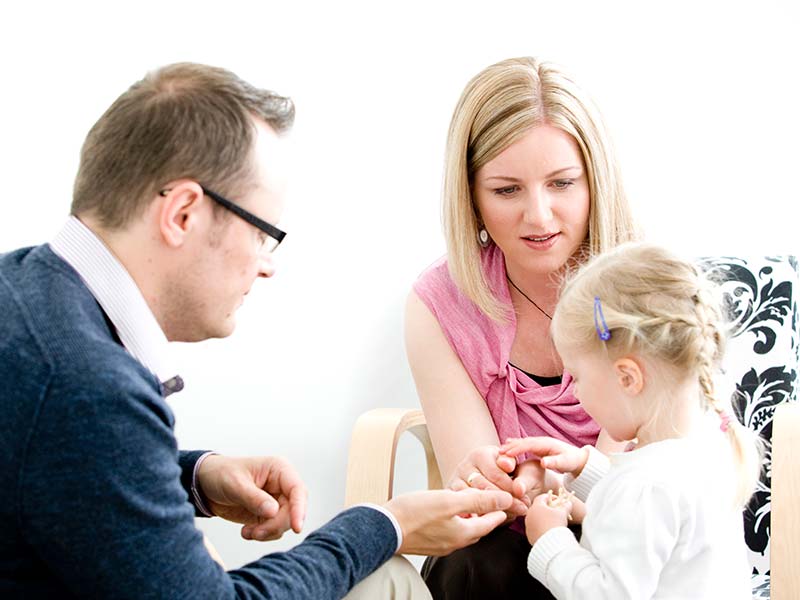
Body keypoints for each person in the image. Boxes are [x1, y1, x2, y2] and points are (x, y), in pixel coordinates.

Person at [0, 62, 515, 599]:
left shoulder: (25, 301)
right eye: (263, 233)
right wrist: (385, 525)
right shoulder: (88, 385)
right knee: (386, 577)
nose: (267, 265)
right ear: (181, 214)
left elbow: (65, 467)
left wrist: (193, 476)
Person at [405, 56, 639, 597]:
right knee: (473, 558)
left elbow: (636, 482)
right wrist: (511, 483)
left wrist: (557, 485)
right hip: (505, 549)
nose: (539, 216)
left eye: (561, 183)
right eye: (507, 190)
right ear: (471, 196)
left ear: (594, 181)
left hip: (631, 527)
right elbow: (481, 488)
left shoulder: (641, 282)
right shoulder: (440, 302)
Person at [500, 242, 760, 598]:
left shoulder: (644, 486)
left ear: (628, 378)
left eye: (577, 377)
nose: (575, 393)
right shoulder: (709, 447)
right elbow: (651, 516)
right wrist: (583, 468)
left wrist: (551, 540)